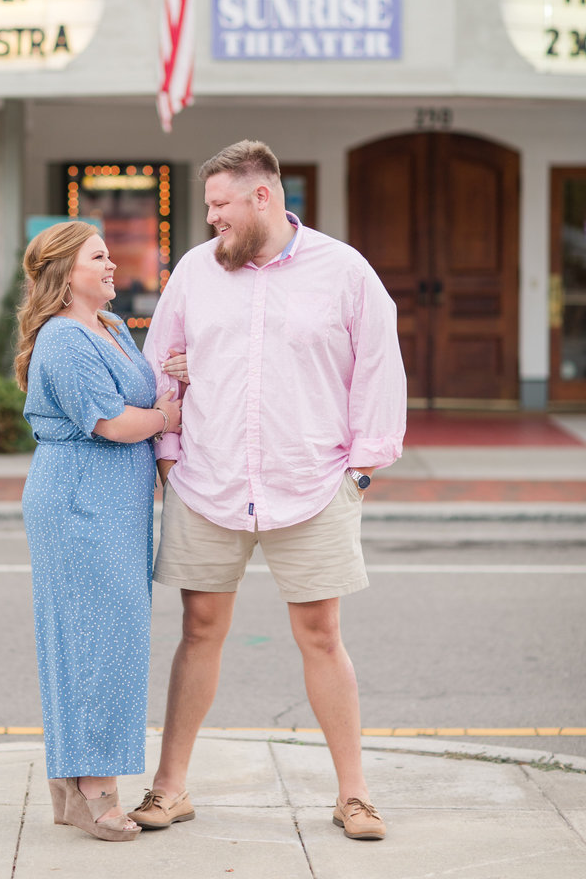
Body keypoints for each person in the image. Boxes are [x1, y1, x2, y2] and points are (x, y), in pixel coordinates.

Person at [132, 140, 406, 842]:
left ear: (263, 197)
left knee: (322, 635)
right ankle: (169, 789)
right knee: (198, 632)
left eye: (220, 207)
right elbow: (158, 365)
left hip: (311, 484)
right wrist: (169, 457)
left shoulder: (344, 272)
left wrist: (363, 468)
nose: (211, 220)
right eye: (207, 209)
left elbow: (378, 366)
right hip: (207, 483)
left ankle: (355, 796)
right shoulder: (195, 271)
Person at [16, 221, 182, 843]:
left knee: (106, 637)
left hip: (114, 504)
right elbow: (113, 422)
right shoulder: (62, 339)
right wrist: (169, 415)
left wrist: (173, 379)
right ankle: (94, 791)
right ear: (66, 272)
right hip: (80, 503)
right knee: (98, 641)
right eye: (99, 257)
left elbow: (139, 393)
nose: (113, 265)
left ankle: (74, 780)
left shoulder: (110, 328)